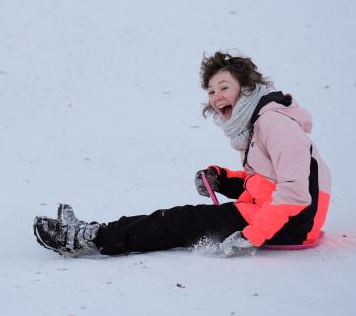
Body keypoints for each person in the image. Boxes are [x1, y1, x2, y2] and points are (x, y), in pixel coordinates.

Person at [33, 51, 331, 257]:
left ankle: (89, 238)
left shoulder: (274, 123)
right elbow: (266, 183)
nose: (216, 98)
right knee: (182, 219)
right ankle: (95, 232)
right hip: (281, 217)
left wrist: (251, 236)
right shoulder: (259, 124)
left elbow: (295, 193)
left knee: (179, 221)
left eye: (224, 87)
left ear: (248, 88)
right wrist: (222, 178)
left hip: (291, 224)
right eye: (212, 92)